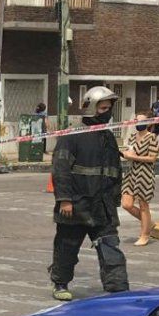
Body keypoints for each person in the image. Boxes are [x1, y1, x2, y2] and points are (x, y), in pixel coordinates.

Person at [49, 86, 128, 302]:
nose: (107, 112)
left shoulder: (108, 138)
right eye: (103, 107)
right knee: (67, 248)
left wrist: (115, 200)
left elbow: (115, 171)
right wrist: (65, 200)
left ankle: (118, 290)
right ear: (91, 108)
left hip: (102, 206)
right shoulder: (72, 136)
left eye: (109, 108)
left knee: (111, 249)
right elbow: (60, 169)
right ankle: (60, 283)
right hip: (76, 205)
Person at [121, 113, 159, 247]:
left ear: (149, 123)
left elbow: (152, 158)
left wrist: (134, 157)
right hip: (131, 172)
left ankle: (145, 235)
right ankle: (149, 224)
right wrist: (126, 155)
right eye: (136, 121)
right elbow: (129, 152)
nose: (138, 123)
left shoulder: (153, 138)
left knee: (143, 205)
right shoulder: (132, 137)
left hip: (144, 174)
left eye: (141, 121)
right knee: (126, 204)